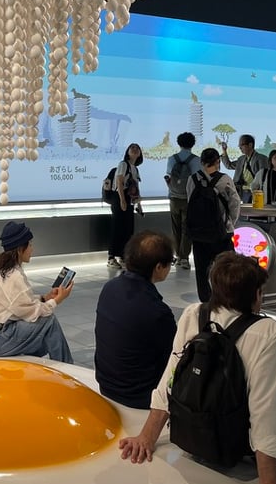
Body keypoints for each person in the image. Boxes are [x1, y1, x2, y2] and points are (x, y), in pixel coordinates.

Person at [119, 253, 276, 484]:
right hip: (238, 444)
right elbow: (264, 410)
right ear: (256, 294)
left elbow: (171, 377)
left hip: (191, 434)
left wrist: (147, 437)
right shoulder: (268, 332)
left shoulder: (193, 314)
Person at [0, 221, 73, 363]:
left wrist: (45, 298)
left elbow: (19, 304)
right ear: (20, 249)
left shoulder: (3, 269)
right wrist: (56, 300)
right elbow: (32, 314)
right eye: (29, 244)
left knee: (46, 336)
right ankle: (67, 370)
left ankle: (36, 367)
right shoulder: (13, 275)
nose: (32, 249)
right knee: (49, 321)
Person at [94, 231, 177, 409]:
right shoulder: (157, 312)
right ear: (158, 267)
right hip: (139, 395)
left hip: (107, 385)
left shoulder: (110, 288)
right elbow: (174, 356)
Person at [186, 147, 240, 303]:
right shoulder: (225, 180)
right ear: (218, 162)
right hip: (221, 232)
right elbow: (234, 203)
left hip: (199, 233)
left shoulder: (192, 179)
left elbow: (190, 202)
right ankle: (228, 298)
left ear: (201, 162)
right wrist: (230, 223)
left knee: (201, 269)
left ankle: (205, 300)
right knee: (228, 267)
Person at [164, 132, 197, 269]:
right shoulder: (196, 160)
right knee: (186, 228)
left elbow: (168, 177)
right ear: (192, 144)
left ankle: (178, 255)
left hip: (174, 197)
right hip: (189, 198)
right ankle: (184, 258)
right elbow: (197, 180)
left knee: (175, 228)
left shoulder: (172, 159)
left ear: (179, 143)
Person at [108, 143, 143, 269]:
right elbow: (119, 182)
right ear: (127, 151)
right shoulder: (123, 164)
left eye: (137, 148)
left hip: (129, 201)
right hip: (120, 198)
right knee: (117, 228)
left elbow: (135, 187)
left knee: (128, 229)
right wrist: (122, 200)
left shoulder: (135, 168)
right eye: (132, 148)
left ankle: (123, 256)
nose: (134, 150)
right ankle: (111, 257)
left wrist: (139, 204)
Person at [220, 134, 268, 201]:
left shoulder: (261, 158)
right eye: (239, 145)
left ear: (250, 145)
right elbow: (229, 165)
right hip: (241, 193)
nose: (240, 147)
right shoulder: (241, 159)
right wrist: (224, 151)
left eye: (242, 145)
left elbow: (264, 178)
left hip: (255, 192)